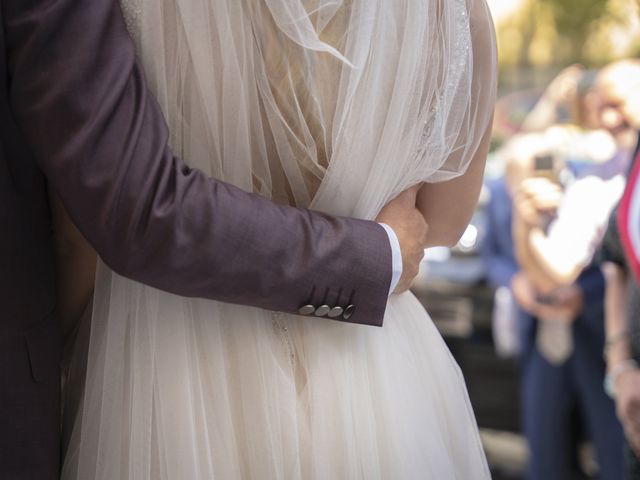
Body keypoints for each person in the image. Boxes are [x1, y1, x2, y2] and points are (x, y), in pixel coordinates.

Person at [60, 0, 497, 478]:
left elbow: (90, 228)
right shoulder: (449, 12)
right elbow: (444, 222)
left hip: (171, 363)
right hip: (366, 361)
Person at [483, 131, 625, 480]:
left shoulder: (590, 185)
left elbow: (612, 261)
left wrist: (583, 293)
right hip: (539, 334)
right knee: (544, 442)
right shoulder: (502, 192)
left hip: (592, 333)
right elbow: (491, 256)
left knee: (612, 440)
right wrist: (516, 282)